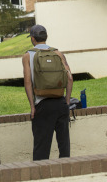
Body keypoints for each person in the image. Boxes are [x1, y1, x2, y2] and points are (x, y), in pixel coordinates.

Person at [22, 24, 73, 161]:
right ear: (46, 37)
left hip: (42, 104)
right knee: (64, 147)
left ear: (32, 38)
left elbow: (28, 82)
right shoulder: (58, 53)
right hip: (60, 103)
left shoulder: (28, 56)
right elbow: (70, 79)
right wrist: (66, 102)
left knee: (41, 148)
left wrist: (32, 106)